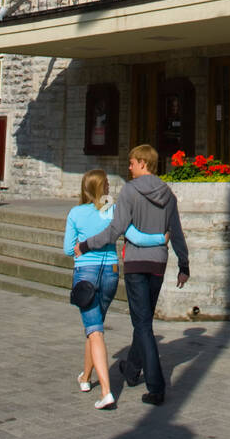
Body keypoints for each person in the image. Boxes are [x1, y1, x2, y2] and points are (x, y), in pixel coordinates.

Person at [75, 144, 189, 407]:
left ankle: (156, 386)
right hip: (158, 263)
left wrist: (86, 244)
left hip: (137, 262)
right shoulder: (168, 195)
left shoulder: (129, 191)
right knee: (144, 318)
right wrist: (184, 265)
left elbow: (115, 229)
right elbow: (177, 232)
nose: (128, 167)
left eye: (131, 163)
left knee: (142, 324)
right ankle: (131, 369)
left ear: (142, 163)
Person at [64, 168, 167, 410]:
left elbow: (69, 249)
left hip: (86, 274)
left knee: (95, 330)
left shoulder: (76, 213)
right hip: (110, 273)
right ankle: (85, 377)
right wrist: (160, 239)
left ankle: (108, 392)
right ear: (104, 189)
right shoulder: (111, 211)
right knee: (94, 326)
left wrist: (83, 244)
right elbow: (135, 236)